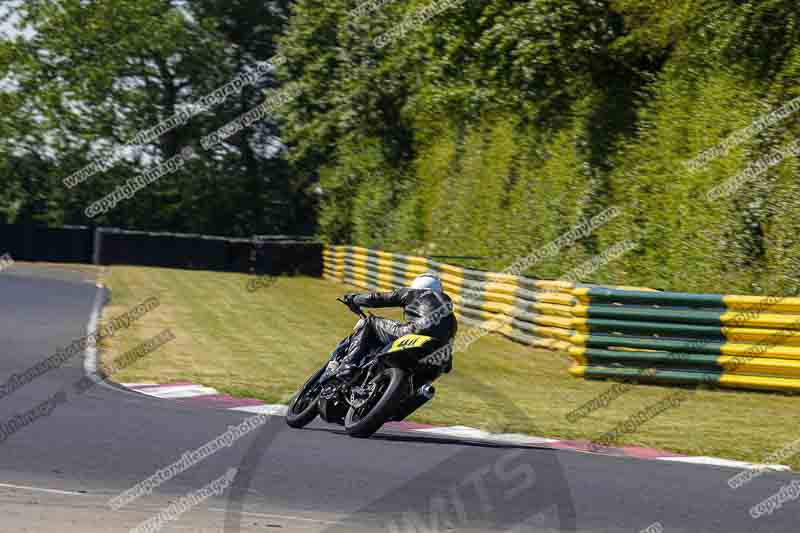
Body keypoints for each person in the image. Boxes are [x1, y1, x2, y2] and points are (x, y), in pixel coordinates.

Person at [336, 271, 457, 380]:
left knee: (370, 322)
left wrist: (354, 299)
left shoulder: (414, 293)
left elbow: (378, 298)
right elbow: (449, 357)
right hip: (438, 359)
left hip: (413, 334)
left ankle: (347, 365)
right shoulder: (452, 319)